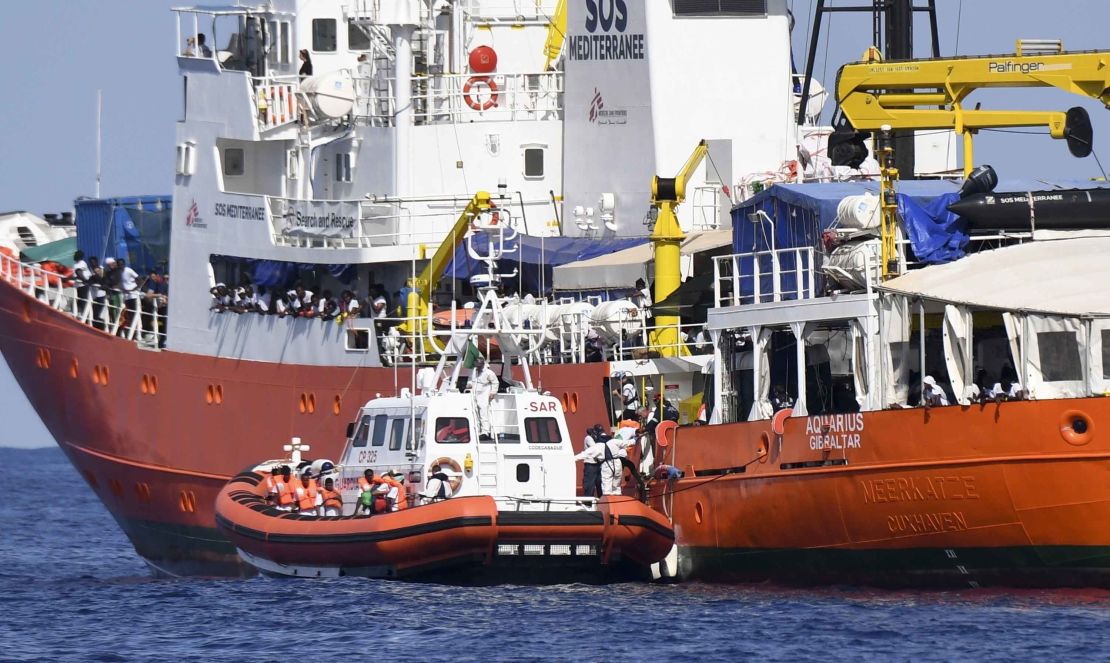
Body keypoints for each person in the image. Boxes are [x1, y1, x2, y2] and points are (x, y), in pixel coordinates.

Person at [573, 432, 635, 496]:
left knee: (606, 487)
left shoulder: (597, 446)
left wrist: (572, 459)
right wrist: (635, 439)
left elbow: (584, 454)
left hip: (607, 465)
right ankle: (617, 499)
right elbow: (628, 442)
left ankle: (608, 501)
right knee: (617, 486)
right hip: (617, 463)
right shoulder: (614, 441)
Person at [471, 357, 499, 441]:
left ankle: (485, 432)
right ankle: (478, 431)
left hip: (483, 394)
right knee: (475, 412)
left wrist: (493, 393)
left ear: (482, 364)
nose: (477, 367)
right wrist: (469, 384)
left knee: (483, 413)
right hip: (474, 394)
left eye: (479, 365)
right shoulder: (474, 371)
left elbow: (495, 382)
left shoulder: (489, 373)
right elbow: (472, 381)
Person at [580, 426, 602, 498]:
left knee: (600, 484)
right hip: (590, 464)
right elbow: (595, 448)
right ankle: (588, 503)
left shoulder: (595, 438)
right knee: (589, 485)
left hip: (597, 464)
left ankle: (601, 501)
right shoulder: (588, 438)